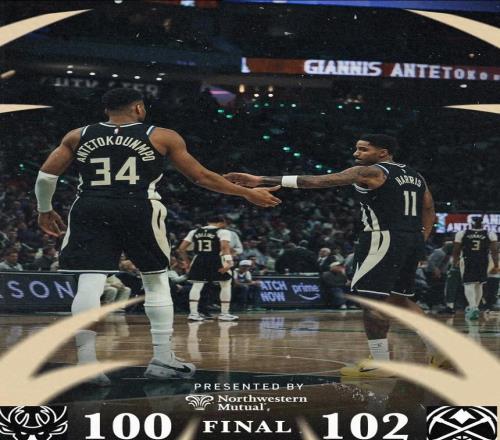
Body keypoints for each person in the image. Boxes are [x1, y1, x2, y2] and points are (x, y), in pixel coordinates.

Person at [35, 88, 281, 384]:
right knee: (155, 279)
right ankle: (162, 358)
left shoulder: (78, 135)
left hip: (90, 206)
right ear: (139, 108)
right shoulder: (161, 136)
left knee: (89, 281)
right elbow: (200, 177)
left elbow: (46, 176)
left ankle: (85, 363)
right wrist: (246, 193)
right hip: (139, 206)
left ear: (106, 110)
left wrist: (44, 209)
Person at [225, 133, 443, 377]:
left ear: (383, 153)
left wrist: (260, 179)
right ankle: (438, 351)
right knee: (399, 300)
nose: (356, 154)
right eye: (356, 149)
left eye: (363, 149)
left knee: (371, 300)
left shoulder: (370, 171)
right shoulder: (415, 175)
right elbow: (429, 208)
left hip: (382, 237)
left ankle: (381, 363)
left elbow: (318, 181)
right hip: (412, 238)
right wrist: (419, 240)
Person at [177, 214, 238, 321]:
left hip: (199, 259)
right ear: (221, 222)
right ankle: (224, 314)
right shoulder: (223, 232)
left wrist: (187, 262)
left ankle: (193, 314)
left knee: (197, 285)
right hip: (216, 259)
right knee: (225, 284)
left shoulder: (194, 231)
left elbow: (181, 249)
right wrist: (229, 262)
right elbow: (224, 247)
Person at [452, 217, 498, 320]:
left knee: (468, 284)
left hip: (468, 260)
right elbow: (494, 250)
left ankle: (473, 307)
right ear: (482, 224)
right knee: (479, 284)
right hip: (483, 260)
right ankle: (475, 307)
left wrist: (455, 261)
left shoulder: (462, 233)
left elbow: (456, 250)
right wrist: (496, 264)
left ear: (471, 224)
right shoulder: (490, 233)